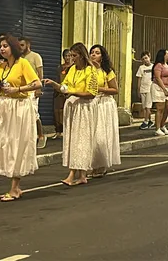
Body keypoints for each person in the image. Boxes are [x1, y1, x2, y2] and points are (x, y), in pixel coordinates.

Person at [0, 35, 42, 201]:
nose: (2, 49)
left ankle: (15, 187)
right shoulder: (1, 67)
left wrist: (17, 89)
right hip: (4, 108)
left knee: (17, 144)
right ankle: (14, 185)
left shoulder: (23, 63)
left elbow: (37, 83)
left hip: (19, 108)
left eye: (5, 46)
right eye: (0, 46)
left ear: (13, 47)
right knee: (6, 144)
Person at [43, 43, 98, 186]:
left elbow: (91, 93)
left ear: (81, 55)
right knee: (73, 140)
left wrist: (73, 93)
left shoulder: (90, 70)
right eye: (71, 55)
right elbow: (65, 87)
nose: (72, 58)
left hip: (84, 108)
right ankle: (81, 175)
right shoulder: (72, 69)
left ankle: (74, 174)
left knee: (82, 141)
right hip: (72, 108)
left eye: (75, 55)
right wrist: (54, 84)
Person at [89, 44, 121, 178]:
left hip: (104, 105)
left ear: (102, 56)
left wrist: (100, 89)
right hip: (91, 104)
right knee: (92, 137)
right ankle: (93, 165)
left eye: (97, 53)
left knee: (101, 137)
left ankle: (102, 165)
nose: (93, 55)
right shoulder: (87, 70)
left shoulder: (107, 71)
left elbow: (115, 90)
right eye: (92, 52)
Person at [20, 37, 46, 149]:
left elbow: (40, 74)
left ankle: (41, 136)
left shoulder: (35, 56)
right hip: (22, 90)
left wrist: (38, 89)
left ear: (28, 45)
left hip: (33, 90)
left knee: (34, 114)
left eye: (22, 45)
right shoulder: (18, 58)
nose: (20, 48)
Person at [151, 49, 168, 136]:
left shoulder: (167, 65)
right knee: (160, 108)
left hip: (167, 88)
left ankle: (163, 124)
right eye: (167, 54)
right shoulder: (158, 66)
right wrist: (164, 89)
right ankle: (157, 128)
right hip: (159, 88)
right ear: (163, 55)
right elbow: (158, 78)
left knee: (167, 108)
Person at [52, 49, 72, 139]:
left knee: (67, 112)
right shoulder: (60, 67)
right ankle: (58, 131)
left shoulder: (73, 68)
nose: (67, 58)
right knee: (57, 111)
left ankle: (67, 131)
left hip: (69, 92)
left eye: (69, 56)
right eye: (66, 56)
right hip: (59, 92)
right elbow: (57, 79)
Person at [135, 51, 154, 129]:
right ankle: (150, 121)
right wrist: (138, 89)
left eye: (146, 58)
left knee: (148, 107)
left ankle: (145, 121)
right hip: (143, 89)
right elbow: (139, 79)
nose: (145, 60)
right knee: (144, 107)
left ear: (149, 57)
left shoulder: (153, 67)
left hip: (150, 89)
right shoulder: (141, 68)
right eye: (143, 59)